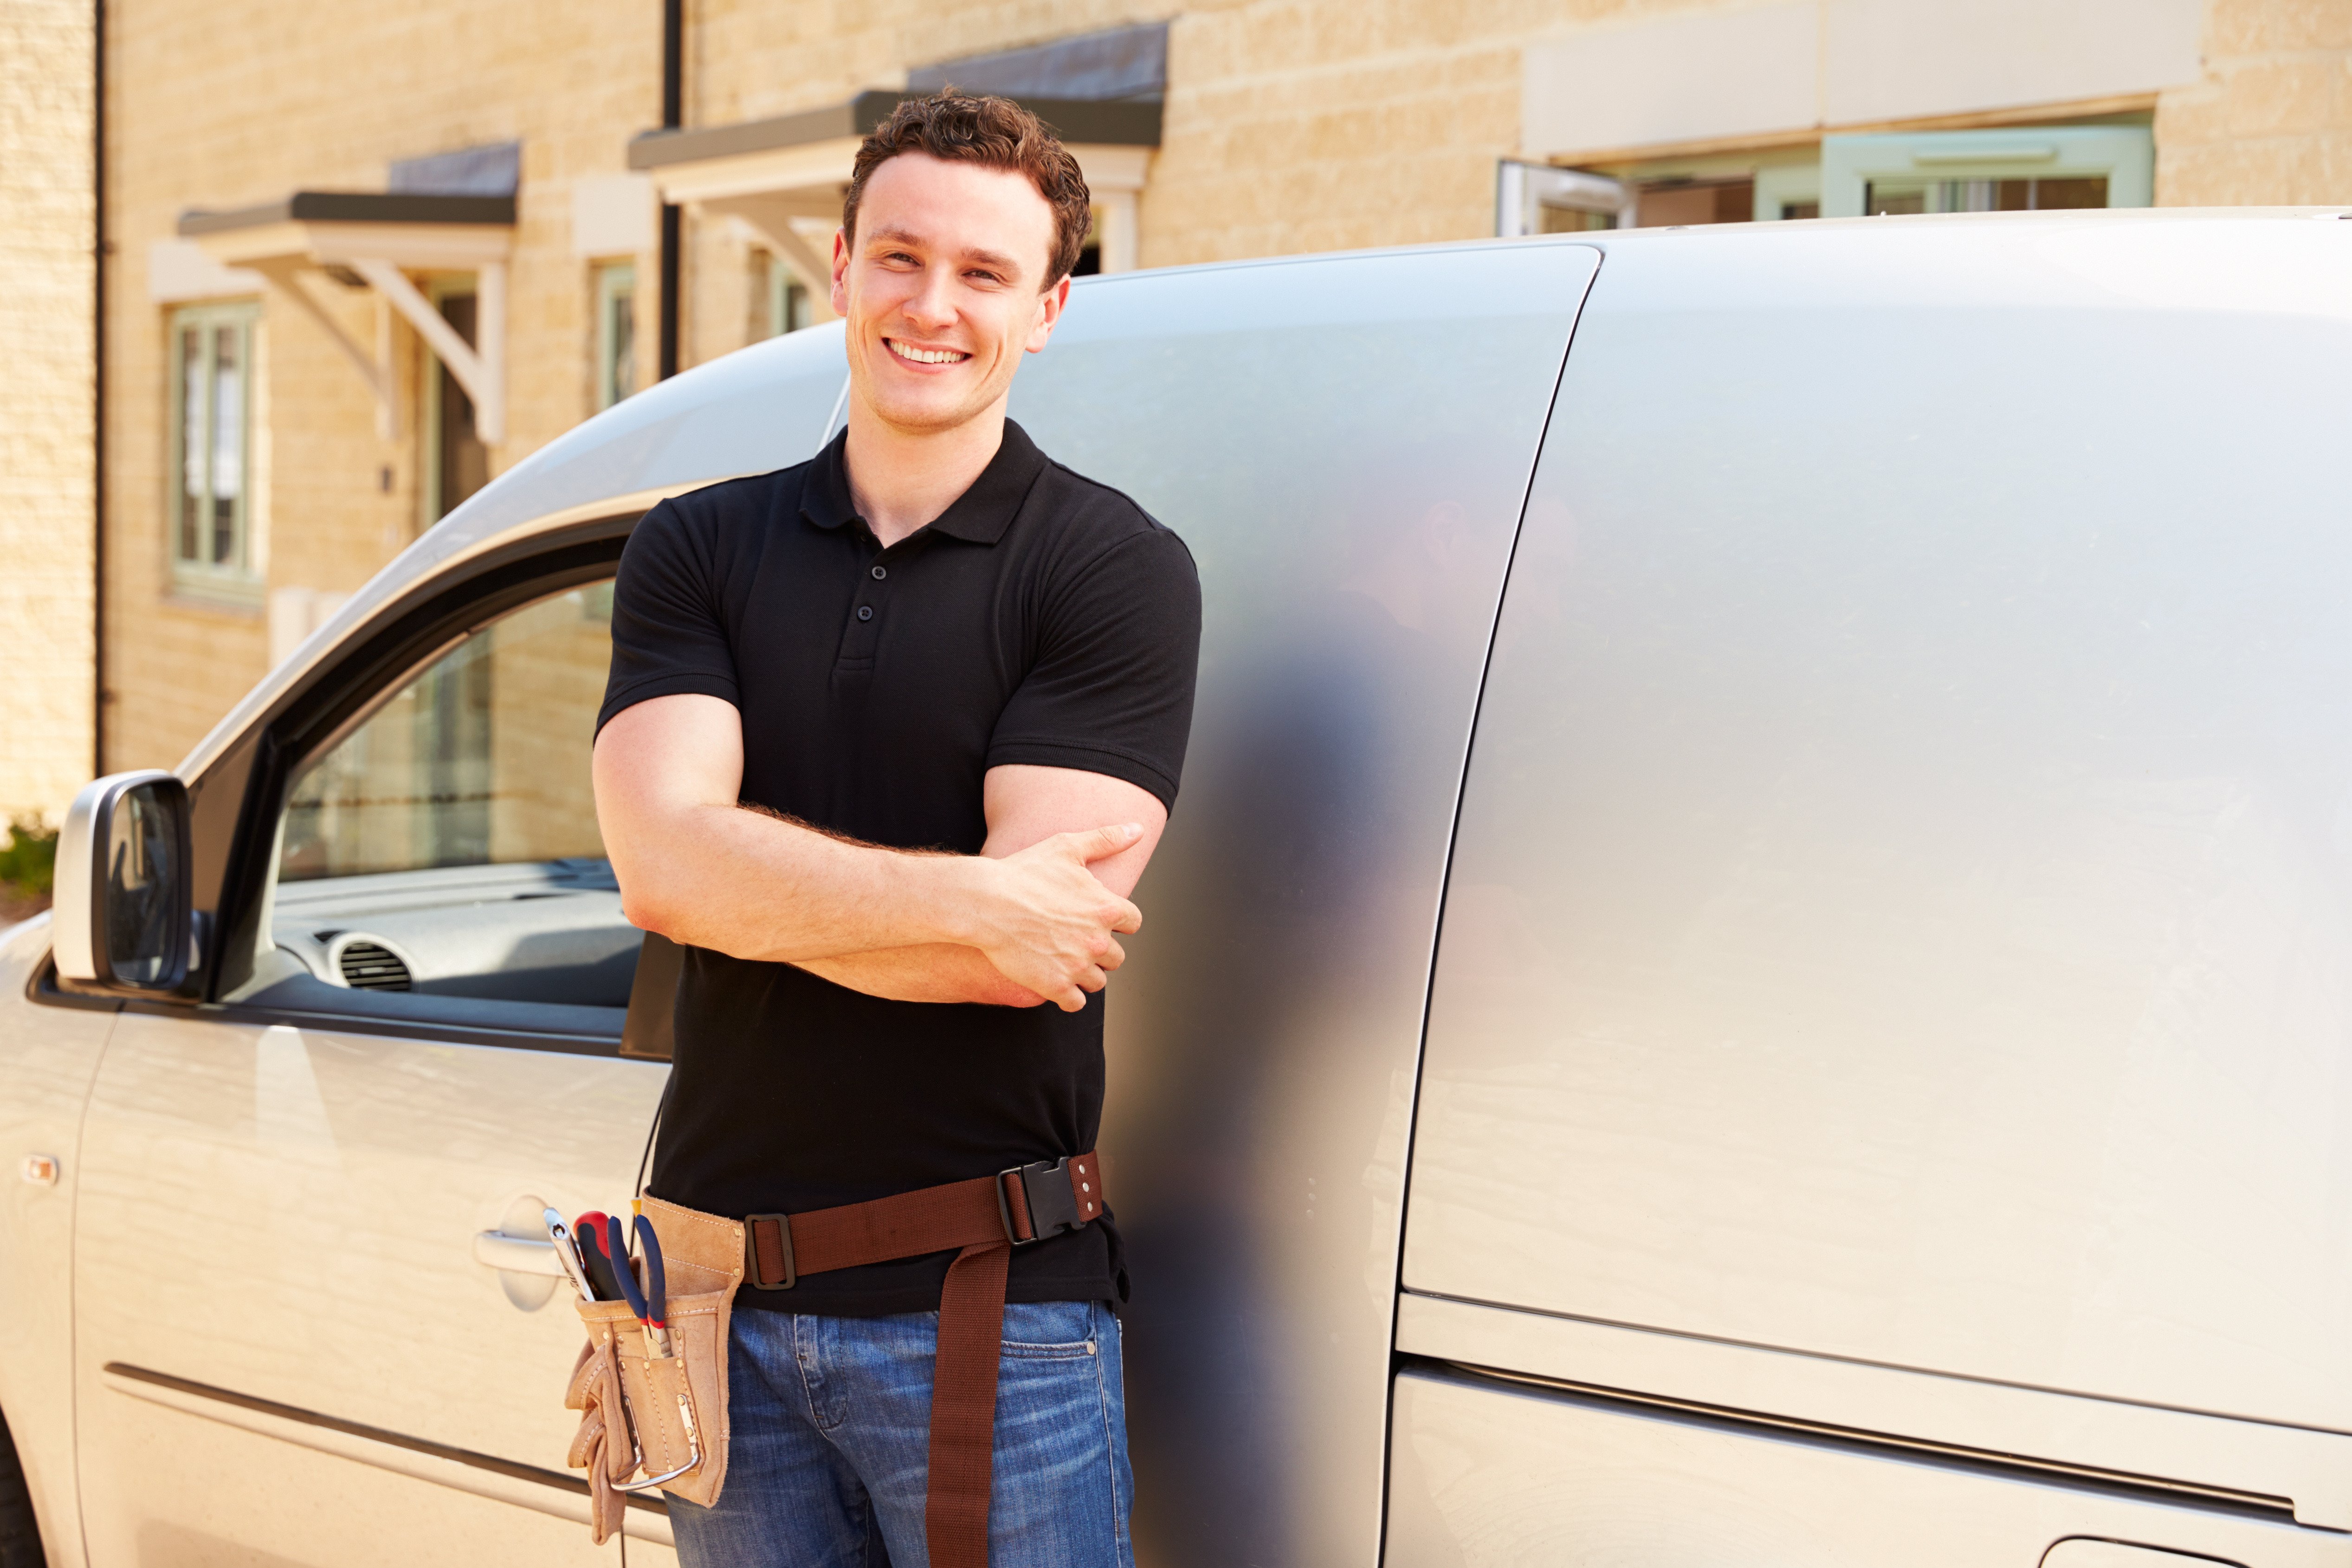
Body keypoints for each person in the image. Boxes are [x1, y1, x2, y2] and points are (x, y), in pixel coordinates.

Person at [590, 91, 1202, 1568]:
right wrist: (959, 902)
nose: (935, 306)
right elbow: (659, 868)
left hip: (992, 1313)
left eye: (986, 275)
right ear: (842, 272)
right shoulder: (698, 545)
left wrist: (745, 880)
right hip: (717, 1307)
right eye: (899, 258)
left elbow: (1026, 958)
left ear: (1048, 308)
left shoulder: (1110, 569)